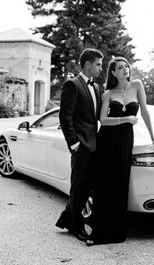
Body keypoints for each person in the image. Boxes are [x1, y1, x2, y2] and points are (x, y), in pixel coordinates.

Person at [86, 56, 154, 246]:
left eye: (126, 66)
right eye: (120, 68)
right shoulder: (108, 93)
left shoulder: (137, 85)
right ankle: (99, 233)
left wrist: (153, 137)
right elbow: (103, 120)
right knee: (104, 185)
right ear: (113, 72)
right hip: (107, 139)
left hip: (125, 140)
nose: (125, 69)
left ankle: (116, 233)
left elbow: (144, 111)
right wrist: (125, 119)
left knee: (120, 183)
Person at [55, 48, 104, 242]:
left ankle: (66, 219)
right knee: (79, 186)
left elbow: (95, 118)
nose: (101, 68)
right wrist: (74, 143)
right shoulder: (72, 85)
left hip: (94, 144)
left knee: (88, 185)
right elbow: (65, 116)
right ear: (87, 64)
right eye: (98, 64)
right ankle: (76, 226)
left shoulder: (97, 87)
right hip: (81, 145)